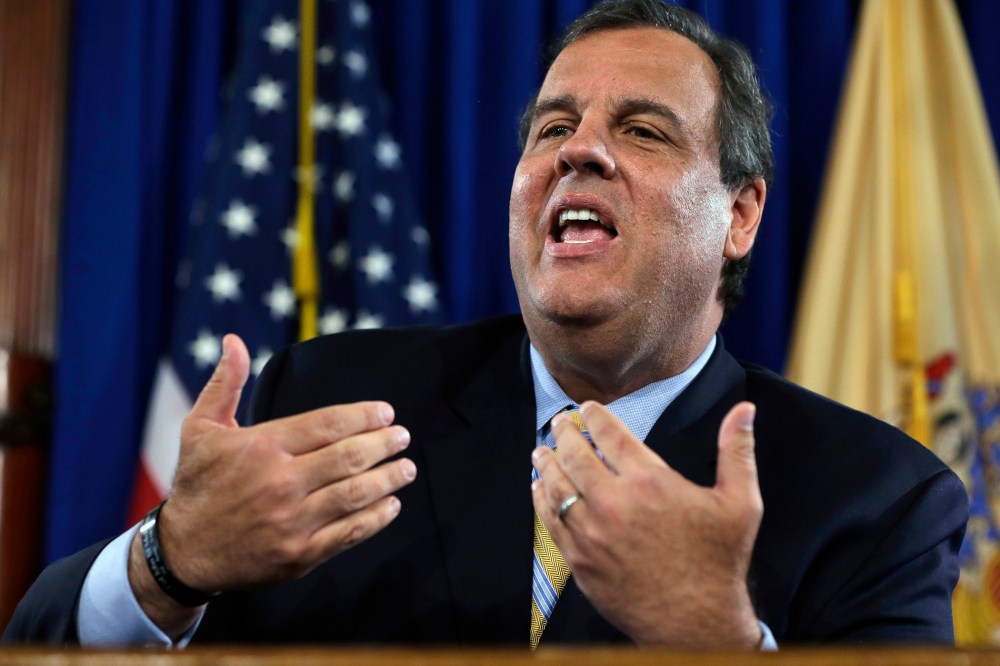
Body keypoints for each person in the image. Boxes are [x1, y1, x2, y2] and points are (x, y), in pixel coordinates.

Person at [6, 0, 967, 649]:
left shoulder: (877, 501)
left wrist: (720, 645)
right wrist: (168, 561)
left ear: (741, 215)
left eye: (641, 130)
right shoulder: (334, 406)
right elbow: (35, 642)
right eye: (552, 128)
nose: (579, 149)